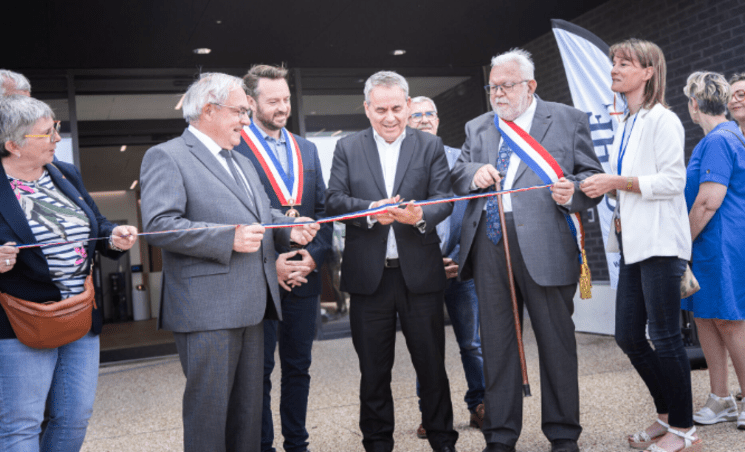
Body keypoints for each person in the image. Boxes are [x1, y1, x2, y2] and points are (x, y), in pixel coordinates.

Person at [139, 72, 319, 452]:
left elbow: (259, 213)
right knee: (210, 420)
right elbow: (158, 227)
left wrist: (288, 228)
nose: (246, 121)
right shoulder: (166, 156)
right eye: (240, 111)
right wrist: (227, 238)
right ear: (208, 110)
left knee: (247, 420)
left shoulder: (240, 160)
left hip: (252, 308)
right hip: (206, 313)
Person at [451, 48, 603, 452]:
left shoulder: (567, 119)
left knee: (556, 342)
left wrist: (574, 192)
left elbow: (592, 178)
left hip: (547, 244)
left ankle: (563, 433)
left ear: (530, 86)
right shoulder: (478, 126)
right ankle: (500, 435)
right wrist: (473, 173)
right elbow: (458, 171)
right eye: (492, 87)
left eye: (506, 85)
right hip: (489, 244)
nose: (497, 94)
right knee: (498, 344)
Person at [326, 71, 458, 452]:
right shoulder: (348, 148)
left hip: (420, 277)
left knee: (432, 369)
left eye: (397, 108)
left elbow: (444, 199)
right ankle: (378, 444)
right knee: (373, 373)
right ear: (367, 109)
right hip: (369, 281)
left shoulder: (429, 146)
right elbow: (334, 200)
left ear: (408, 106)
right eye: (380, 109)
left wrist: (418, 216)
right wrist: (370, 211)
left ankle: (443, 443)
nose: (389, 117)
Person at [0, 94, 138, 451]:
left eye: (56, 128)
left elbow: (97, 224)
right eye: (46, 133)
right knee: (21, 424)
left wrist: (113, 236)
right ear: (12, 145)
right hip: (21, 323)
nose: (57, 139)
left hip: (79, 313)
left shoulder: (65, 173)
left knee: (75, 416)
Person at [581, 39, 698, 452]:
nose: (614, 68)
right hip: (633, 246)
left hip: (661, 245)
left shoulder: (662, 120)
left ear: (648, 72)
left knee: (665, 338)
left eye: (624, 63)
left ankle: (684, 432)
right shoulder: (629, 122)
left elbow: (673, 183)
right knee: (628, 336)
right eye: (614, 61)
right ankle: (666, 416)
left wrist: (615, 183)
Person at [234, 64, 332, 452]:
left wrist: (312, 257)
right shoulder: (236, 147)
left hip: (304, 278)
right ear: (251, 102)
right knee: (259, 373)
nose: (283, 107)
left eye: (286, 99)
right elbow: (234, 214)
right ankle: (264, 447)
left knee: (299, 369)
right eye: (273, 100)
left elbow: (323, 212)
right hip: (260, 279)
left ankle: (297, 444)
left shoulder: (306, 148)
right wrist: (269, 264)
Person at [407, 96, 485, 439]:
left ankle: (481, 405)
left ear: (437, 120)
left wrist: (457, 256)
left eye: (429, 114)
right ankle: (433, 412)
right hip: (421, 270)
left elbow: (475, 213)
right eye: (417, 115)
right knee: (427, 345)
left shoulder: (460, 160)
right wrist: (428, 260)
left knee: (472, 342)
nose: (424, 119)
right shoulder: (401, 165)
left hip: (459, 267)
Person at [681, 71, 745, 431]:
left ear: (694, 103)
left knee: (730, 321)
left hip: (719, 242)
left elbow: (708, 201)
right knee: (705, 317)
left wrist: (682, 243)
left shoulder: (719, 140)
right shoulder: (718, 138)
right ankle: (720, 398)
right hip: (708, 243)